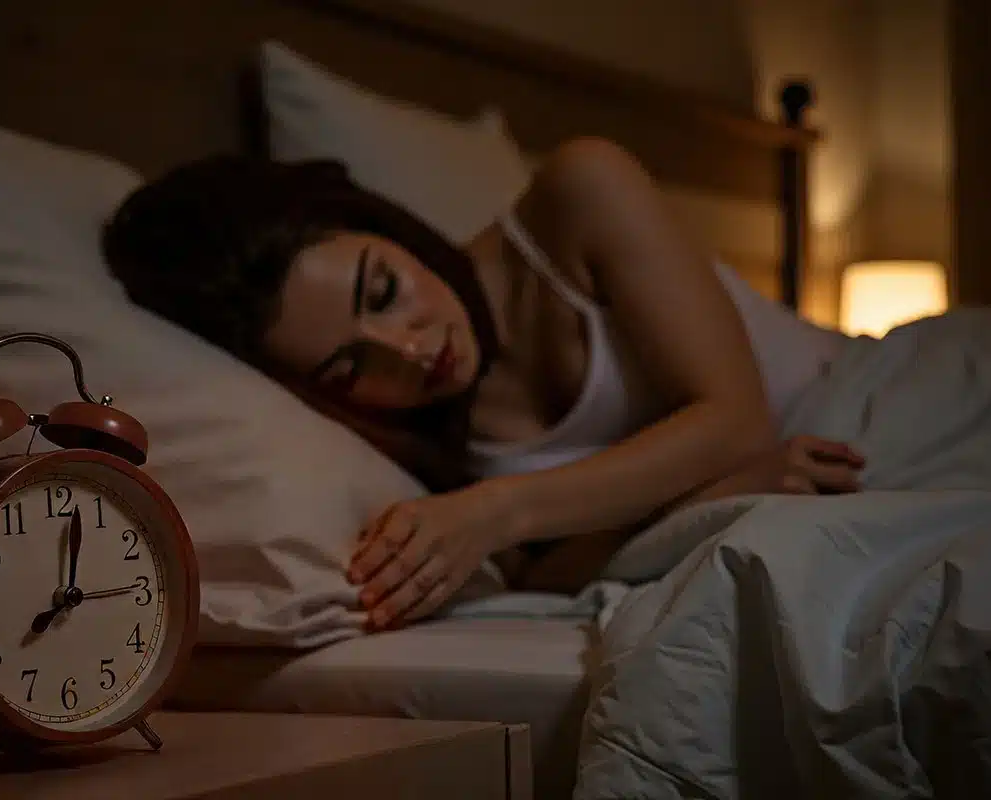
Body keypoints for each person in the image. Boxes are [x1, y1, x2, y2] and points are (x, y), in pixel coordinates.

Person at [101, 138, 866, 631]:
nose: (409, 351)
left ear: (389, 229)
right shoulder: (409, 440)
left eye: (384, 290)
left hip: (867, 392)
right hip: (811, 471)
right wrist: (713, 492)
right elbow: (553, 568)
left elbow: (734, 423)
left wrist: (497, 514)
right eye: (352, 365)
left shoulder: (579, 193)